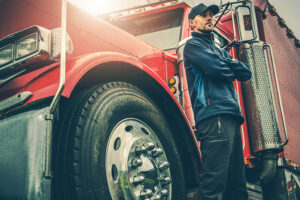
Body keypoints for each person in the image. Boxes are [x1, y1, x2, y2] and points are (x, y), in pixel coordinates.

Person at [183, 3, 252, 200]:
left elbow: (246, 72)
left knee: (237, 185)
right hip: (214, 116)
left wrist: (226, 63)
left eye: (210, 15)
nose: (209, 18)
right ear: (192, 23)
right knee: (214, 182)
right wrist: (229, 65)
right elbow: (219, 70)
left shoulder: (218, 49)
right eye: (203, 15)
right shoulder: (192, 45)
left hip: (231, 116)